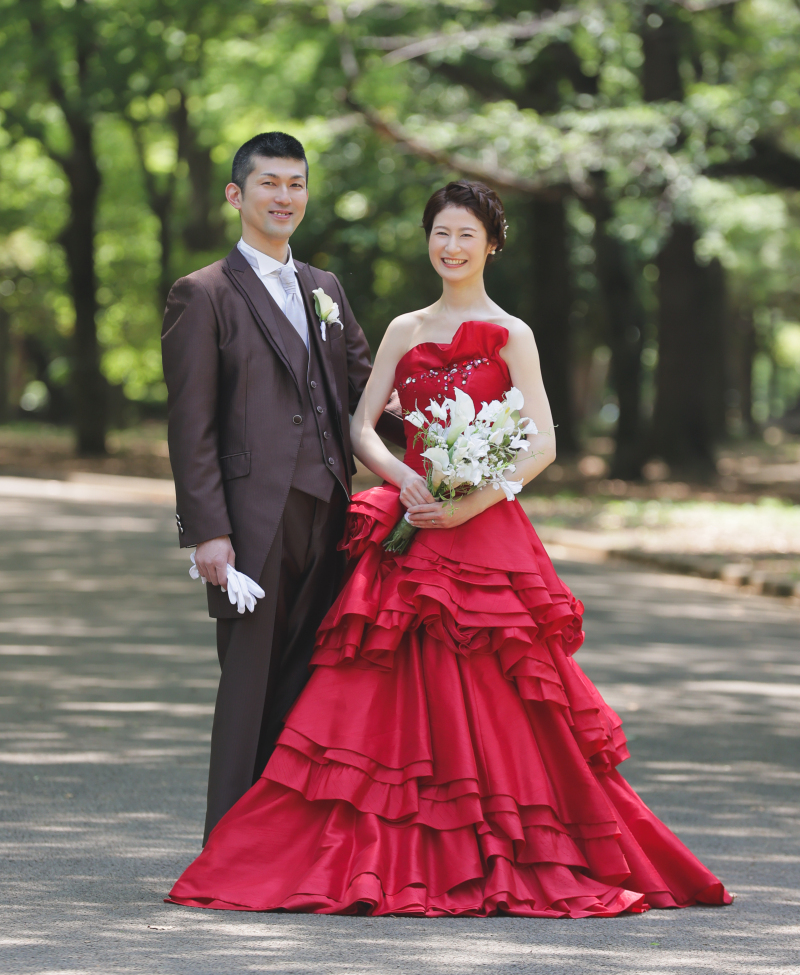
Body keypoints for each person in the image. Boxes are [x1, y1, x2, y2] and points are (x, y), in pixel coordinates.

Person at [166, 179, 732, 916]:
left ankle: (506, 848)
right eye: (440, 233)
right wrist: (406, 480)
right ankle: (363, 851)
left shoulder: (513, 333)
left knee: (505, 701)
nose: (451, 247)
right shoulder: (403, 328)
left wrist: (476, 499)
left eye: (466, 235)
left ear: (490, 244)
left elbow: (542, 443)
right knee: (377, 697)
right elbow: (362, 423)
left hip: (485, 528)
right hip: (413, 519)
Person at [161, 131, 403, 844]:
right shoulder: (201, 294)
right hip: (249, 523)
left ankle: (290, 850)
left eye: (296, 184)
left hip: (331, 513)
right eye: (269, 183)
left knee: (308, 686)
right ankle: (228, 852)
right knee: (248, 690)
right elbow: (191, 424)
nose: (284, 197)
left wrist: (445, 427)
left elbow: (366, 389)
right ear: (238, 195)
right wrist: (207, 532)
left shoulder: (325, 288)